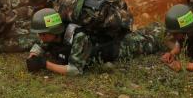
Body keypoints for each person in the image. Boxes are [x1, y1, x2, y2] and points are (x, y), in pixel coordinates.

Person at [25, 8, 164, 76]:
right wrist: (33, 56)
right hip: (108, 44)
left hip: (119, 48)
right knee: (143, 33)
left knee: (152, 40)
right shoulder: (53, 35)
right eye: (39, 34)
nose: (40, 37)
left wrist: (45, 64)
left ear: (55, 30)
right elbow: (39, 45)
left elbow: (75, 70)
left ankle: (161, 28)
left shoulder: (77, 36)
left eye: (43, 34)